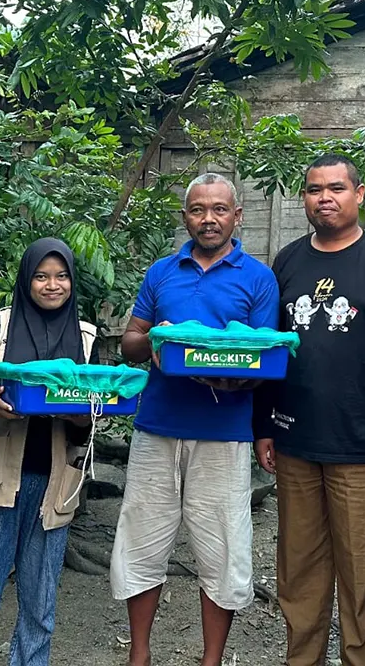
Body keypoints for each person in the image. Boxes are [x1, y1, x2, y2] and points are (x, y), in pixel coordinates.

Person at [254, 154, 365, 666]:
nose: (324, 198)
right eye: (313, 190)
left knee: (363, 574)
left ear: (359, 194)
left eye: (335, 188)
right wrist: (264, 425)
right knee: (299, 571)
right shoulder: (286, 262)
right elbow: (268, 351)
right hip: (296, 443)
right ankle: (302, 659)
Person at [112, 173, 279, 666]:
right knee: (141, 540)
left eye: (219, 210)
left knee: (222, 548)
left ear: (237, 216)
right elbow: (130, 342)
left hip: (224, 433)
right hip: (156, 427)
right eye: (198, 210)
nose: (209, 219)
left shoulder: (258, 277)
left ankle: (212, 660)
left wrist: (235, 379)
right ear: (185, 217)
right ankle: (138, 655)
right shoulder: (162, 272)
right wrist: (159, 341)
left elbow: (264, 356)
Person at [0, 238, 99, 665]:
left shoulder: (87, 337)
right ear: (25, 279)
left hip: (55, 485)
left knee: (40, 604)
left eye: (61, 276)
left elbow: (97, 408)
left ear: (73, 281)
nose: (51, 285)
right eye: (40, 276)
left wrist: (81, 417)